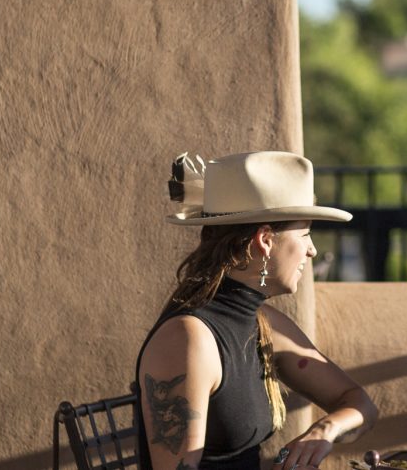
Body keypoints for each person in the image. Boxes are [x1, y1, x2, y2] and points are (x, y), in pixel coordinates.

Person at [135, 151, 378, 470]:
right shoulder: (188, 339)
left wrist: (323, 431)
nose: (312, 249)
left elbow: (361, 404)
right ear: (265, 239)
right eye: (304, 233)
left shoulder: (265, 325)